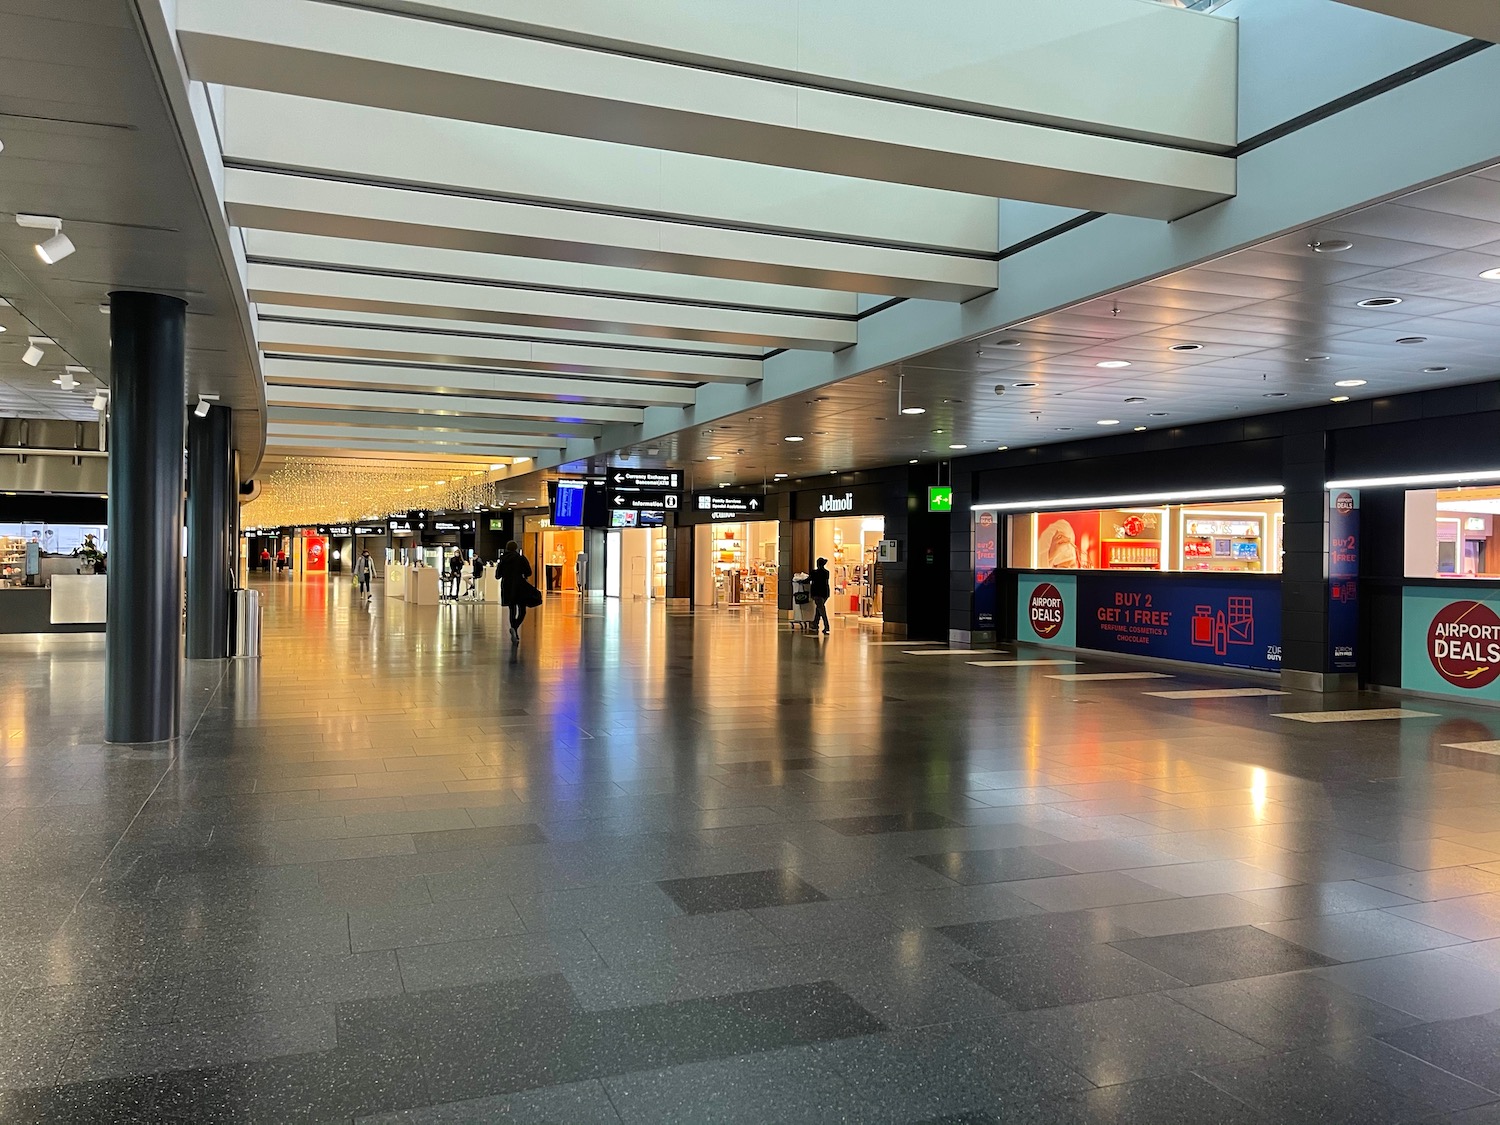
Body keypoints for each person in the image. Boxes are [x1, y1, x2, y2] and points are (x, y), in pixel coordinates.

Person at [496, 540, 534, 644]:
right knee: (522, 610)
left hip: (507, 586)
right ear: (516, 548)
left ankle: (514, 630)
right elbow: (529, 572)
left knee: (512, 610)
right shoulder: (521, 558)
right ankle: (515, 627)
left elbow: (497, 575)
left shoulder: (503, 560)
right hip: (519, 586)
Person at [810, 556, 831, 635]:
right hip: (825, 593)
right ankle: (815, 624)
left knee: (821, 610)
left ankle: (826, 626)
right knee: (819, 608)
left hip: (817, 593)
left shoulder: (814, 573)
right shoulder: (826, 572)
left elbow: (809, 579)